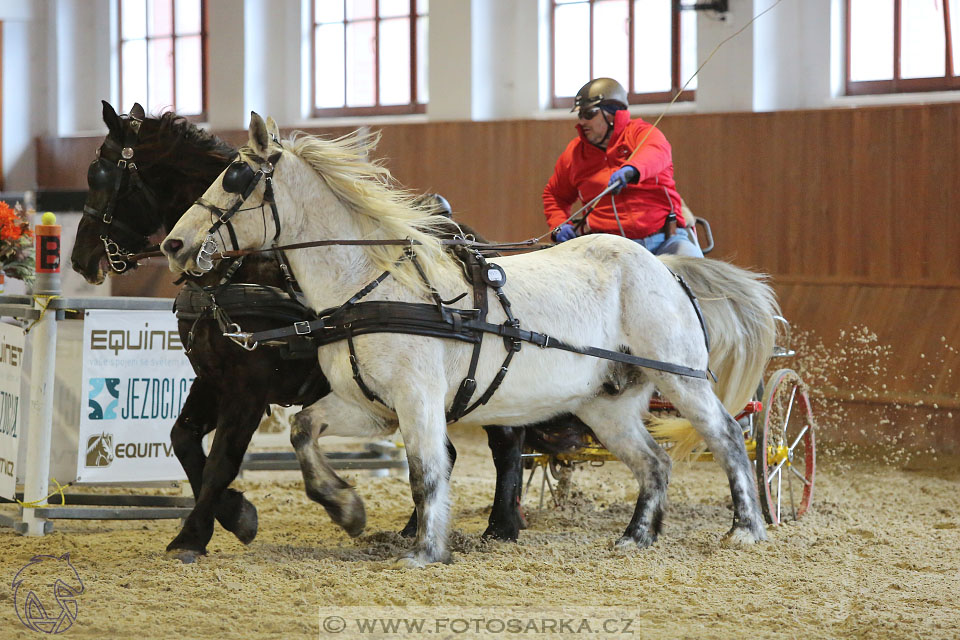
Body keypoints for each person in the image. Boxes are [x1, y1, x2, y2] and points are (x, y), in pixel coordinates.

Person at [543, 77, 703, 258]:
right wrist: (560, 225)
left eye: (589, 114)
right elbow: (555, 196)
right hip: (607, 250)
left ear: (612, 112)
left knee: (699, 280)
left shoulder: (641, 133)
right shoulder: (574, 153)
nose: (582, 121)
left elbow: (656, 152)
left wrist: (632, 170)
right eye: (580, 115)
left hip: (666, 243)